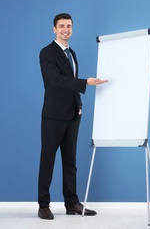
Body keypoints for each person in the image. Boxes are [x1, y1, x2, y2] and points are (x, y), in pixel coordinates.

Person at [38, 13, 108, 220]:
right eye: (61, 26)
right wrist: (85, 82)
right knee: (47, 161)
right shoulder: (47, 53)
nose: (65, 30)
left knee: (70, 161)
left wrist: (79, 105)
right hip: (53, 116)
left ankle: (72, 203)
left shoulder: (72, 53)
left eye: (69, 26)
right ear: (54, 29)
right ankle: (43, 205)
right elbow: (55, 80)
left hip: (72, 116)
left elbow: (71, 85)